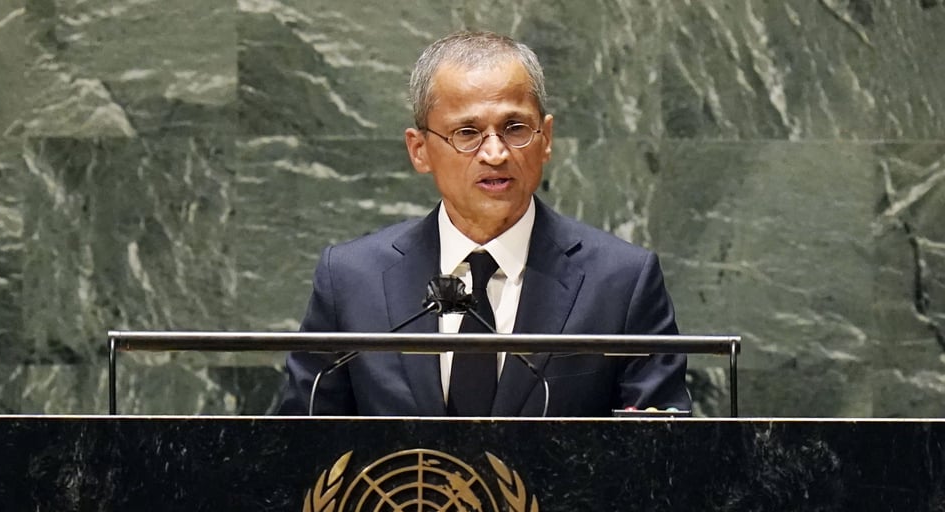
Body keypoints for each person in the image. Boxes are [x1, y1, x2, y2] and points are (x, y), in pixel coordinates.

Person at [278, 31, 690, 417]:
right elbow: (293, 449)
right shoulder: (352, 281)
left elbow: (664, 460)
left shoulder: (621, 283)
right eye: (468, 132)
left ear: (545, 138)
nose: (495, 153)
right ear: (419, 150)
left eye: (514, 128)